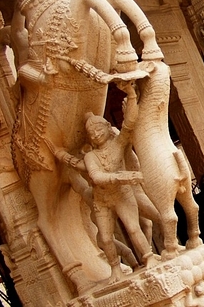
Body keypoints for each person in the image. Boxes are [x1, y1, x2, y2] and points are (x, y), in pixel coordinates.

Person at [83, 81, 156, 283]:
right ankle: (115, 268)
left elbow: (129, 125)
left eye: (98, 130)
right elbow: (96, 177)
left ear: (107, 128)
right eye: (91, 134)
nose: (96, 135)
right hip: (103, 199)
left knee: (133, 228)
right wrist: (124, 176)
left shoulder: (117, 144)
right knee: (106, 238)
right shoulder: (90, 157)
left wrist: (131, 96)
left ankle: (148, 257)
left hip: (123, 195)